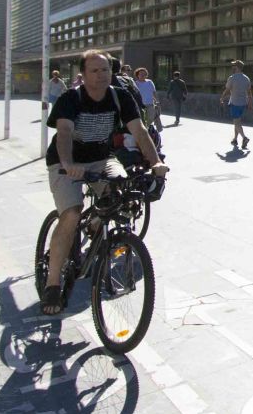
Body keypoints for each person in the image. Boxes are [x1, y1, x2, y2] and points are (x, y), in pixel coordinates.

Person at [41, 50, 167, 315]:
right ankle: (53, 282)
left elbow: (139, 131)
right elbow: (63, 133)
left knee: (120, 193)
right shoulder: (70, 98)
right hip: (66, 163)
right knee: (72, 214)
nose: (101, 76)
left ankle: (96, 223)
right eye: (94, 71)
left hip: (101, 159)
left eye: (105, 70)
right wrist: (67, 164)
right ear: (83, 75)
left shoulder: (119, 97)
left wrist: (155, 162)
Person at [220, 59, 251, 149]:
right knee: (237, 121)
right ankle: (235, 139)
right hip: (243, 103)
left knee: (236, 122)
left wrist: (222, 98)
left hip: (235, 103)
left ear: (237, 67)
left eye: (234, 66)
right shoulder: (246, 78)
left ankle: (244, 138)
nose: (232, 67)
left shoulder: (232, 78)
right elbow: (249, 92)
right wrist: (250, 102)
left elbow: (227, 90)